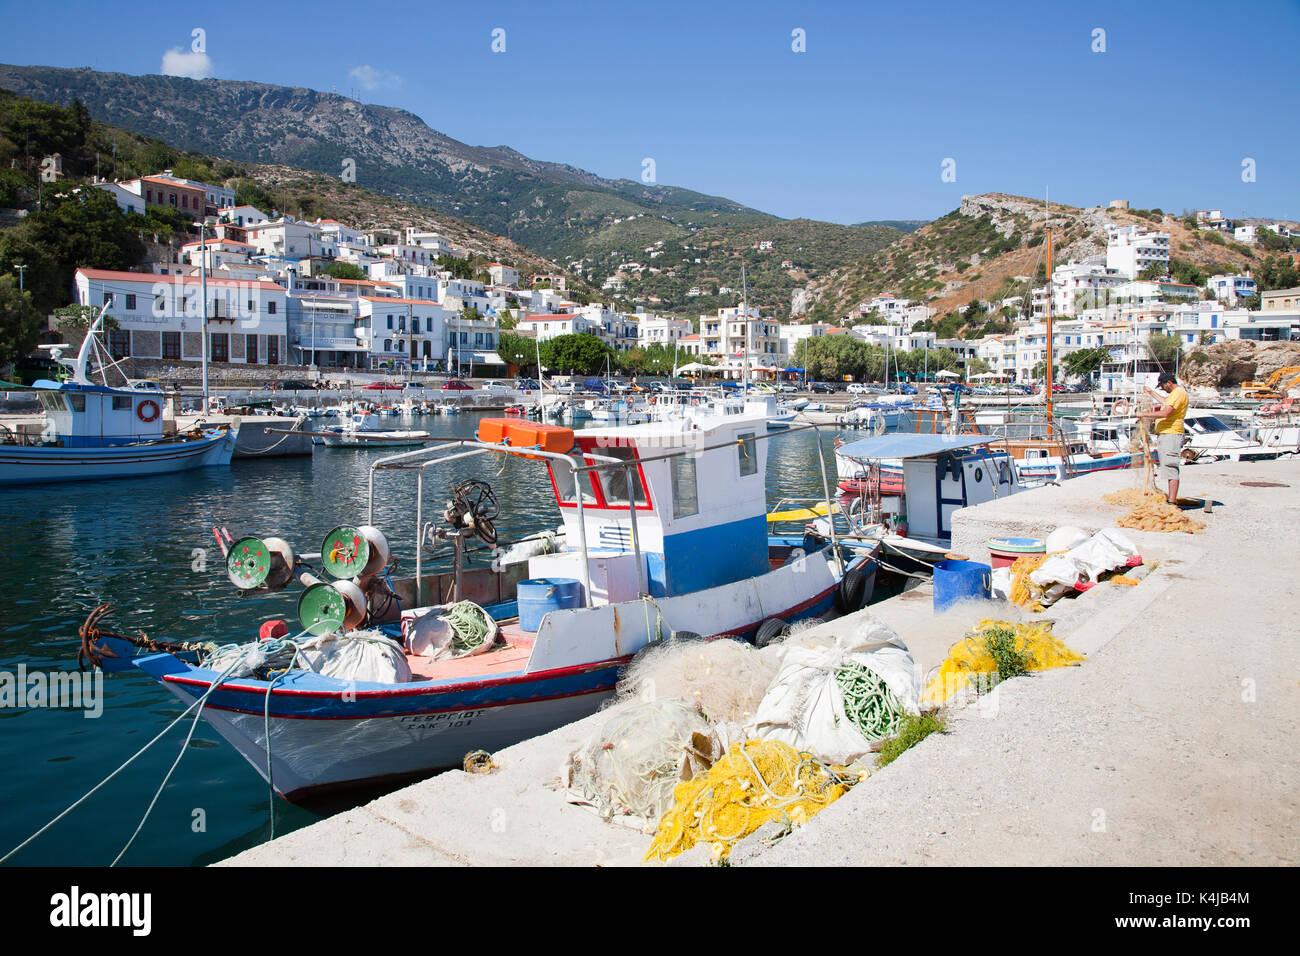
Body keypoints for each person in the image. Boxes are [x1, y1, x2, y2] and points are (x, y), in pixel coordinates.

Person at [1137, 371, 1189, 504]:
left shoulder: (1178, 393)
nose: (1162, 389)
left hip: (1171, 434)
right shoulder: (1175, 394)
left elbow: (1166, 413)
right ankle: (1171, 499)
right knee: (1167, 466)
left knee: (1171, 467)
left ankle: (1172, 501)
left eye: (1162, 386)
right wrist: (1150, 393)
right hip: (1167, 434)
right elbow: (1165, 402)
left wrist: (1143, 414)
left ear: (1169, 383)